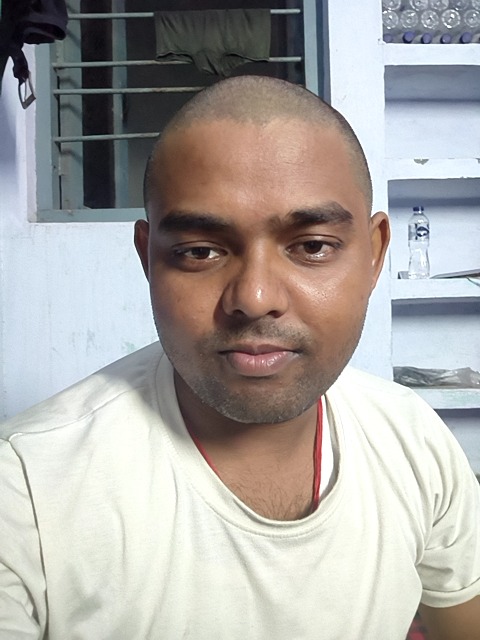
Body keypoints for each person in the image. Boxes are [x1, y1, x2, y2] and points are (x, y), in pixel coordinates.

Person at [0, 75, 479, 640]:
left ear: (374, 255)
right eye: (200, 251)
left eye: (312, 246)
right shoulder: (25, 491)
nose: (253, 298)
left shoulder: (413, 441)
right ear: (148, 258)